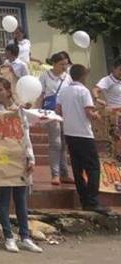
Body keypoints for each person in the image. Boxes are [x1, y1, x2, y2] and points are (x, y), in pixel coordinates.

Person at [0, 77, 43, 253]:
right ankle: (8, 236)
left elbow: (25, 134)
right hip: (1, 159)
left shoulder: (18, 111)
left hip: (19, 157)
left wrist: (31, 157)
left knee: (20, 199)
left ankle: (25, 236)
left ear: (8, 91)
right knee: (4, 198)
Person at [57, 63, 110, 215]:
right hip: (84, 134)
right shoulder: (83, 91)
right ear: (83, 76)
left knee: (77, 167)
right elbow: (89, 112)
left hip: (69, 132)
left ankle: (83, 199)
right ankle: (92, 201)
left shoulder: (64, 91)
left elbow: (58, 110)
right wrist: (97, 115)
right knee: (93, 168)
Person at [40, 52, 72, 185]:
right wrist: (40, 111)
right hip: (51, 111)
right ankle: (55, 174)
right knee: (56, 142)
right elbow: (40, 94)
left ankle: (64, 173)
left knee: (64, 143)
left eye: (66, 64)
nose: (64, 67)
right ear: (54, 64)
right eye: (61, 64)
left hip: (65, 112)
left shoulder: (68, 78)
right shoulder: (45, 76)